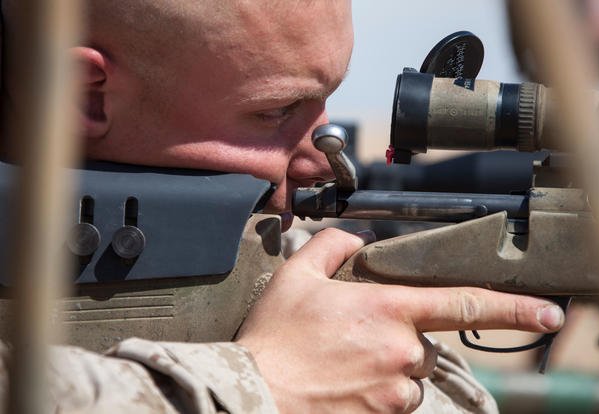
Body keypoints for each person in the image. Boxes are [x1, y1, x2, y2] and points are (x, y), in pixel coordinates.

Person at [0, 1, 566, 412]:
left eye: (325, 102)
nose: (324, 159)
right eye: (276, 112)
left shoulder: (269, 253)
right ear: (82, 93)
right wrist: (262, 384)